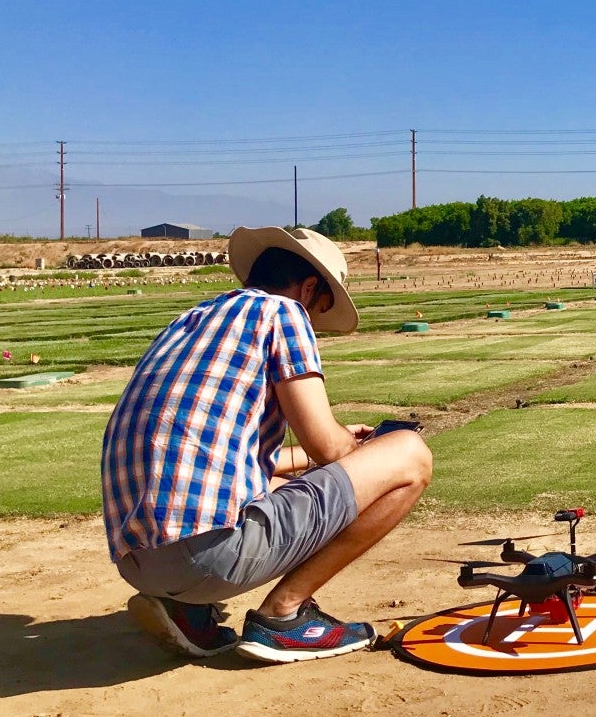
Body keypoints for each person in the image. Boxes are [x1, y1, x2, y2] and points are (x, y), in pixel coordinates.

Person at [102, 227, 432, 663]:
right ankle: (284, 615)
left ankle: (186, 608)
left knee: (274, 486)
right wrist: (367, 453)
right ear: (310, 288)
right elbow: (328, 448)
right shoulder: (284, 313)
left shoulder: (192, 318)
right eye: (317, 310)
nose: (313, 322)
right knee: (410, 455)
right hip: (207, 557)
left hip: (138, 562)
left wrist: (335, 453)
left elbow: (228, 456)